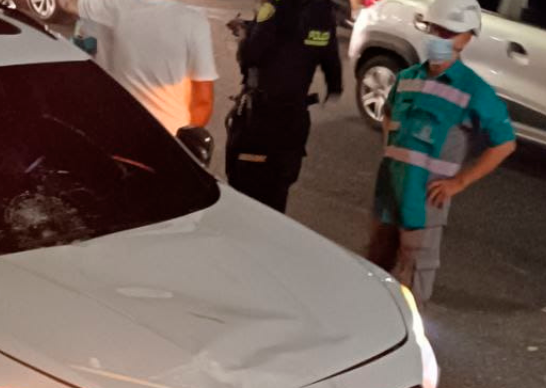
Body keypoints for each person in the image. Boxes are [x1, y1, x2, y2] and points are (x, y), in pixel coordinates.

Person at [364, 0, 516, 304]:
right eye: (435, 29)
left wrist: (459, 182)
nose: (439, 38)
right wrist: (390, 151)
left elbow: (504, 144)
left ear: (467, 38)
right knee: (373, 270)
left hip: (423, 202)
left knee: (411, 286)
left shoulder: (474, 91)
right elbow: (390, 113)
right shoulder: (407, 78)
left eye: (449, 33)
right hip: (388, 194)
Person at [225, 0, 342, 213]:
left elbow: (251, 55)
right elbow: (331, 63)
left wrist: (243, 34)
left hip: (259, 120)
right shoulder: (323, 12)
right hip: (293, 122)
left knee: (245, 192)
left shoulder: (272, 7)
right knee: (278, 192)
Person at [60, 0, 218, 135]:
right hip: (170, 138)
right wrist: (186, 145)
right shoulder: (194, 23)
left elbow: (67, 5)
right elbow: (203, 101)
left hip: (120, 131)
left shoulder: (108, 7)